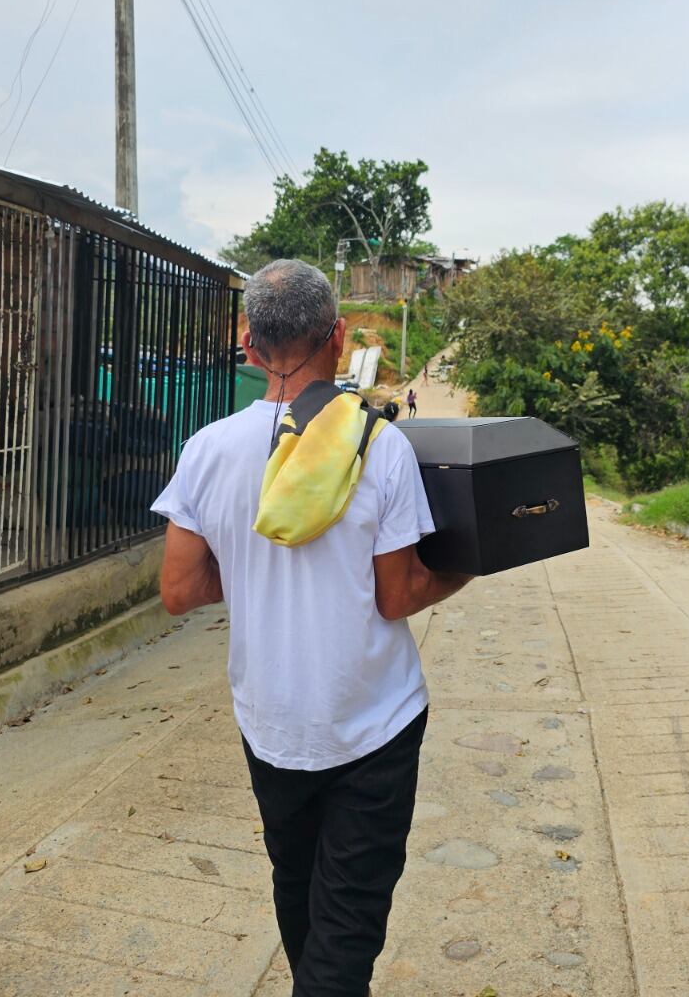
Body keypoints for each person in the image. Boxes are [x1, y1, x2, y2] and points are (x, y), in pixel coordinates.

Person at [153, 259, 471, 996]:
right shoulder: (379, 446)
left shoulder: (207, 450)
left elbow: (179, 590)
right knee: (347, 926)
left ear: (248, 344)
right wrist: (463, 570)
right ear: (337, 339)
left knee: (298, 898)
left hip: (270, 725)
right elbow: (398, 597)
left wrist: (256, 564)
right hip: (371, 727)